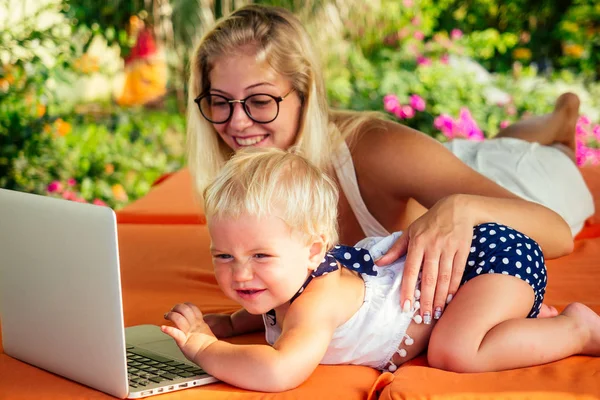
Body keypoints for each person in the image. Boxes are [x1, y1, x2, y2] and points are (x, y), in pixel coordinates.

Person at [185, 4, 591, 324]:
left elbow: (556, 233)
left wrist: (461, 206)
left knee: (515, 157)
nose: (237, 123)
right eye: (220, 102)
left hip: (528, 184)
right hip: (442, 167)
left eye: (259, 101)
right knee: (478, 151)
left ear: (306, 94)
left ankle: (559, 119)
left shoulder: (375, 150)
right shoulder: (243, 176)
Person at [162, 148, 600, 392]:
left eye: (260, 257)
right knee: (463, 330)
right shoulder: (286, 281)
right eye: (223, 256)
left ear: (314, 251)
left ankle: (576, 328)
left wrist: (204, 348)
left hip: (485, 258)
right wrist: (232, 324)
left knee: (456, 351)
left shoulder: (318, 302)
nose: (241, 276)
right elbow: (269, 308)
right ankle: (517, 318)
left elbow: (279, 371)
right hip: (463, 281)